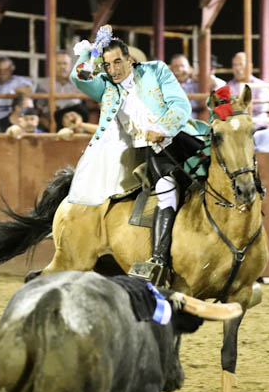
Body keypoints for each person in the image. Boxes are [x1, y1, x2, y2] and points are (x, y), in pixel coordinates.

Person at [70, 28, 209, 284]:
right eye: (107, 65)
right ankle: (158, 261)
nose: (113, 70)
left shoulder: (156, 70)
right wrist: (89, 53)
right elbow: (78, 78)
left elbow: (180, 103)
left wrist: (163, 128)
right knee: (166, 187)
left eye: (118, 62)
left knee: (230, 172)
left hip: (179, 137)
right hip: (150, 152)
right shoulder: (106, 87)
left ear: (130, 59)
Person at [36, 50, 87, 130]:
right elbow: (38, 110)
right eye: (59, 64)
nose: (62, 67)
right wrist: (49, 126)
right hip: (52, 124)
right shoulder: (43, 85)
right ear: (52, 65)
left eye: (65, 63)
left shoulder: (79, 83)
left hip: (77, 124)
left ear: (70, 65)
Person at [0, 57, 35, 132]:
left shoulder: (18, 81)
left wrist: (13, 91)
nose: (2, 73)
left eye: (5, 70)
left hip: (9, 120)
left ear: (11, 70)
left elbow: (28, 90)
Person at [228, 52, 269, 128]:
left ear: (250, 66)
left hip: (257, 126)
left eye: (240, 64)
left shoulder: (260, 85)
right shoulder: (228, 86)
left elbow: (261, 108)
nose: (237, 68)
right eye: (235, 65)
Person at [169, 53, 200, 119]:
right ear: (171, 70)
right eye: (176, 67)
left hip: (195, 122)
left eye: (182, 66)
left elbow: (213, 83)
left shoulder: (196, 83)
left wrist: (195, 75)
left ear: (189, 68)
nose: (179, 69)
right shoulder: (167, 85)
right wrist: (206, 96)